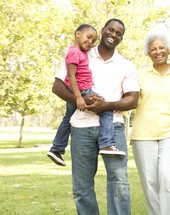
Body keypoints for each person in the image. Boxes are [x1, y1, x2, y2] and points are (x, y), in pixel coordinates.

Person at [51, 18, 139, 215]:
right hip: (81, 128)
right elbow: (58, 85)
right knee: (81, 187)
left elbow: (133, 99)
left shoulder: (126, 65)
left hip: (114, 128)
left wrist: (106, 105)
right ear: (102, 31)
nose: (114, 34)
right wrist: (80, 101)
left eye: (119, 32)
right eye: (110, 30)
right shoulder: (82, 54)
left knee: (119, 182)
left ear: (121, 37)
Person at [130, 30, 170, 215]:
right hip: (143, 133)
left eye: (161, 47)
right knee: (150, 181)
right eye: (153, 49)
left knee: (166, 177)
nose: (158, 51)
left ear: (168, 49)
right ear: (148, 53)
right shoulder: (140, 74)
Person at [47, 24, 125, 167]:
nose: (90, 42)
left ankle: (56, 149)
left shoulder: (81, 52)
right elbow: (70, 75)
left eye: (92, 41)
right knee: (106, 108)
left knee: (67, 118)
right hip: (82, 90)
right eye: (88, 37)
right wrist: (79, 98)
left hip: (80, 91)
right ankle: (107, 143)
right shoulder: (75, 52)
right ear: (78, 34)